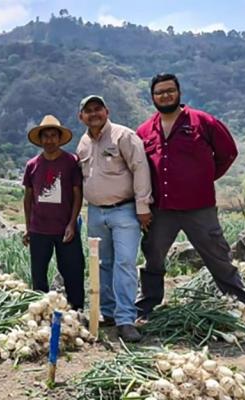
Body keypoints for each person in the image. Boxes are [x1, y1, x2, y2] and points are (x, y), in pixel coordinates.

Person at [135, 74, 245, 334]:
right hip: (162, 209)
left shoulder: (203, 122)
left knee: (218, 258)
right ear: (152, 97)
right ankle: (146, 309)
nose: (165, 95)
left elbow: (228, 153)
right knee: (153, 258)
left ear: (179, 92)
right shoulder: (144, 131)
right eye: (159, 92)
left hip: (199, 208)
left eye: (170, 90)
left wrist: (204, 179)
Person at [76, 95, 152, 342]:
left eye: (98, 109)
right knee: (102, 263)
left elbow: (140, 168)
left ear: (107, 111)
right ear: (81, 117)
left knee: (125, 263)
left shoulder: (123, 136)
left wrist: (143, 207)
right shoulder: (83, 143)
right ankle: (108, 313)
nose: (94, 114)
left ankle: (126, 319)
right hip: (95, 212)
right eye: (88, 111)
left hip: (124, 210)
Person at [22, 115, 85, 310]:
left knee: (73, 271)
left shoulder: (70, 162)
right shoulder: (32, 165)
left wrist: (72, 223)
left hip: (65, 229)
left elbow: (77, 195)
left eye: (53, 136)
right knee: (39, 274)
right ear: (40, 140)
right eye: (45, 136)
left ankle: (76, 310)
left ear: (59, 139)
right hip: (39, 229)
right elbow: (28, 198)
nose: (49, 140)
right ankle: (42, 312)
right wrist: (28, 227)